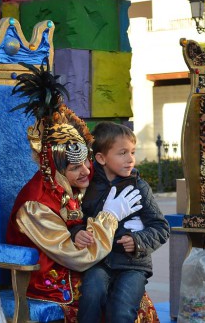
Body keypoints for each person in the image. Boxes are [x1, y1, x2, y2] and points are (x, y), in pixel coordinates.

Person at [5, 60, 159, 322]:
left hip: (84, 263)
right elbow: (78, 255)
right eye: (75, 167)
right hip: (49, 278)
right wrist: (109, 216)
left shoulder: (73, 186)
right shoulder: (36, 205)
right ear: (55, 167)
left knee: (128, 294)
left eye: (87, 162)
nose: (87, 171)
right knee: (105, 295)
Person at [74, 121, 170, 323]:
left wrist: (138, 240)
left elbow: (161, 227)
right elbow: (78, 220)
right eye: (122, 153)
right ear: (101, 158)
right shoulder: (89, 188)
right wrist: (78, 232)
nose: (130, 159)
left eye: (132, 152)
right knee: (90, 295)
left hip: (132, 265)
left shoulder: (139, 187)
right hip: (99, 261)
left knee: (120, 310)